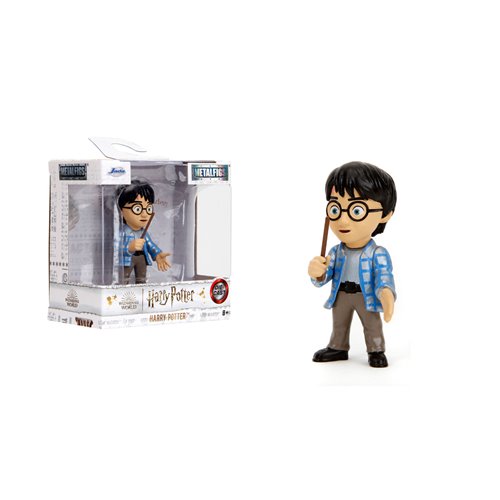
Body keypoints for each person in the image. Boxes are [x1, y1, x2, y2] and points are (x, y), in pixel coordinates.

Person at [308, 161, 397, 368]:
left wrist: (386, 293)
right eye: (336, 208)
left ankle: (376, 350)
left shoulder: (377, 253)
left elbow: (384, 275)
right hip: (341, 294)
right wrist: (317, 272)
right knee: (339, 322)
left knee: (371, 323)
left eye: (357, 210)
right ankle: (338, 346)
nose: (343, 221)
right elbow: (324, 276)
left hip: (366, 294)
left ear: (385, 214)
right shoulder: (336, 252)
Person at [117, 180, 171, 284]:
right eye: (137, 209)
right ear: (122, 210)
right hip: (127, 259)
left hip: (142, 258)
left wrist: (157, 254)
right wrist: (129, 248)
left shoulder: (143, 233)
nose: (145, 214)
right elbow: (115, 248)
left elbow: (150, 245)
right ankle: (122, 290)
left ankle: (141, 290)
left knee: (141, 278)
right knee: (124, 278)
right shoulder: (122, 232)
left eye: (148, 208)